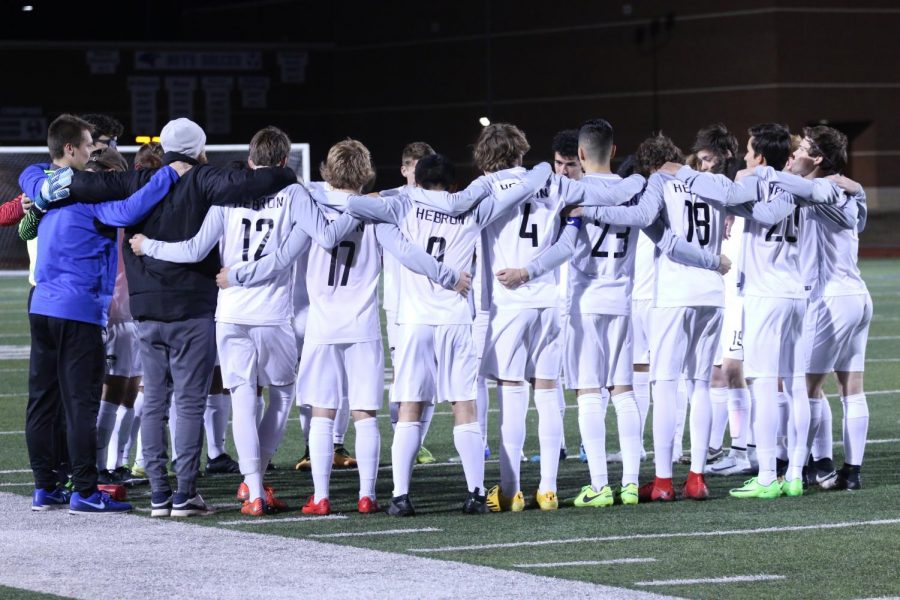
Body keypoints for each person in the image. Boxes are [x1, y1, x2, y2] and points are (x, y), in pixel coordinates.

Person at [48, 117, 298, 517]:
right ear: (200, 149)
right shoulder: (206, 179)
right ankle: (183, 494)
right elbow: (261, 182)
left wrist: (36, 184)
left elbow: (80, 183)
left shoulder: (137, 180)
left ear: (164, 149)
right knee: (188, 403)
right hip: (194, 308)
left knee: (154, 400)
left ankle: (160, 493)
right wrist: (285, 168)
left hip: (146, 308)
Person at [345, 153, 551, 515]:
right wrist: (541, 168)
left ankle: (401, 496)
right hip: (456, 319)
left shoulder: (403, 204)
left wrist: (399, 194)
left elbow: (354, 204)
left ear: (418, 180)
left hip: (414, 321)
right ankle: (474, 493)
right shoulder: (469, 208)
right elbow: (524, 190)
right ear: (452, 183)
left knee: (410, 406)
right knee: (464, 406)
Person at [19, 113, 189, 513]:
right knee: (80, 403)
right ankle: (83, 490)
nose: (95, 150)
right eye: (90, 145)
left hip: (41, 307)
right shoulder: (89, 199)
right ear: (72, 150)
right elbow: (130, 210)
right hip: (77, 312)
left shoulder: (49, 196)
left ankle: (45, 488)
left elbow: (31, 175)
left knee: (42, 401)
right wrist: (170, 175)